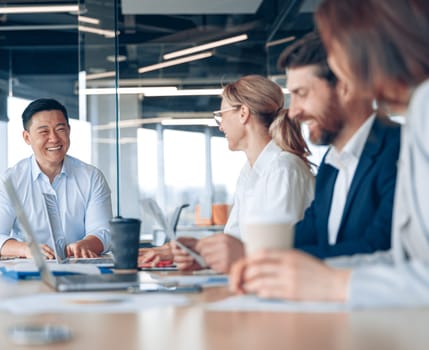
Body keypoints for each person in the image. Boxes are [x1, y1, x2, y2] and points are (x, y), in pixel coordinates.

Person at [229, 0, 429, 307]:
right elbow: (398, 260)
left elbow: (389, 253)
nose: (339, 66)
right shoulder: (415, 115)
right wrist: (266, 260)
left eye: (339, 51)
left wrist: (335, 283)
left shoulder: (418, 118)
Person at [168, 75, 315, 273]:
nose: (220, 126)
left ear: (243, 113)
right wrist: (197, 253)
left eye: (222, 115)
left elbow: (276, 250)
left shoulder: (284, 169)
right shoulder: (249, 172)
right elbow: (234, 239)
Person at [279, 32, 400, 259]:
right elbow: (308, 234)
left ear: (345, 86)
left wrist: (263, 258)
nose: (293, 111)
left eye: (301, 94)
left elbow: (379, 249)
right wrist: (246, 254)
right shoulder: (332, 163)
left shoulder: (399, 151)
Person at [0, 98, 112, 259]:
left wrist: (86, 244)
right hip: (26, 275)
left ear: (69, 131)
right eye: (44, 131)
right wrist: (26, 249)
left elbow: (103, 232)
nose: (54, 138)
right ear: (27, 137)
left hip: (80, 271)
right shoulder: (10, 181)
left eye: (60, 129)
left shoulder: (92, 178)